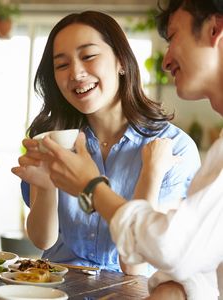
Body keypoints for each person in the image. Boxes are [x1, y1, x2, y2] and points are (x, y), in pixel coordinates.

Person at [35, 1, 223, 299]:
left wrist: (92, 187)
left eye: (173, 36)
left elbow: (164, 252)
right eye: (61, 64)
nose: (166, 59)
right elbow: (195, 264)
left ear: (122, 62)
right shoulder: (56, 141)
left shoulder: (174, 148)